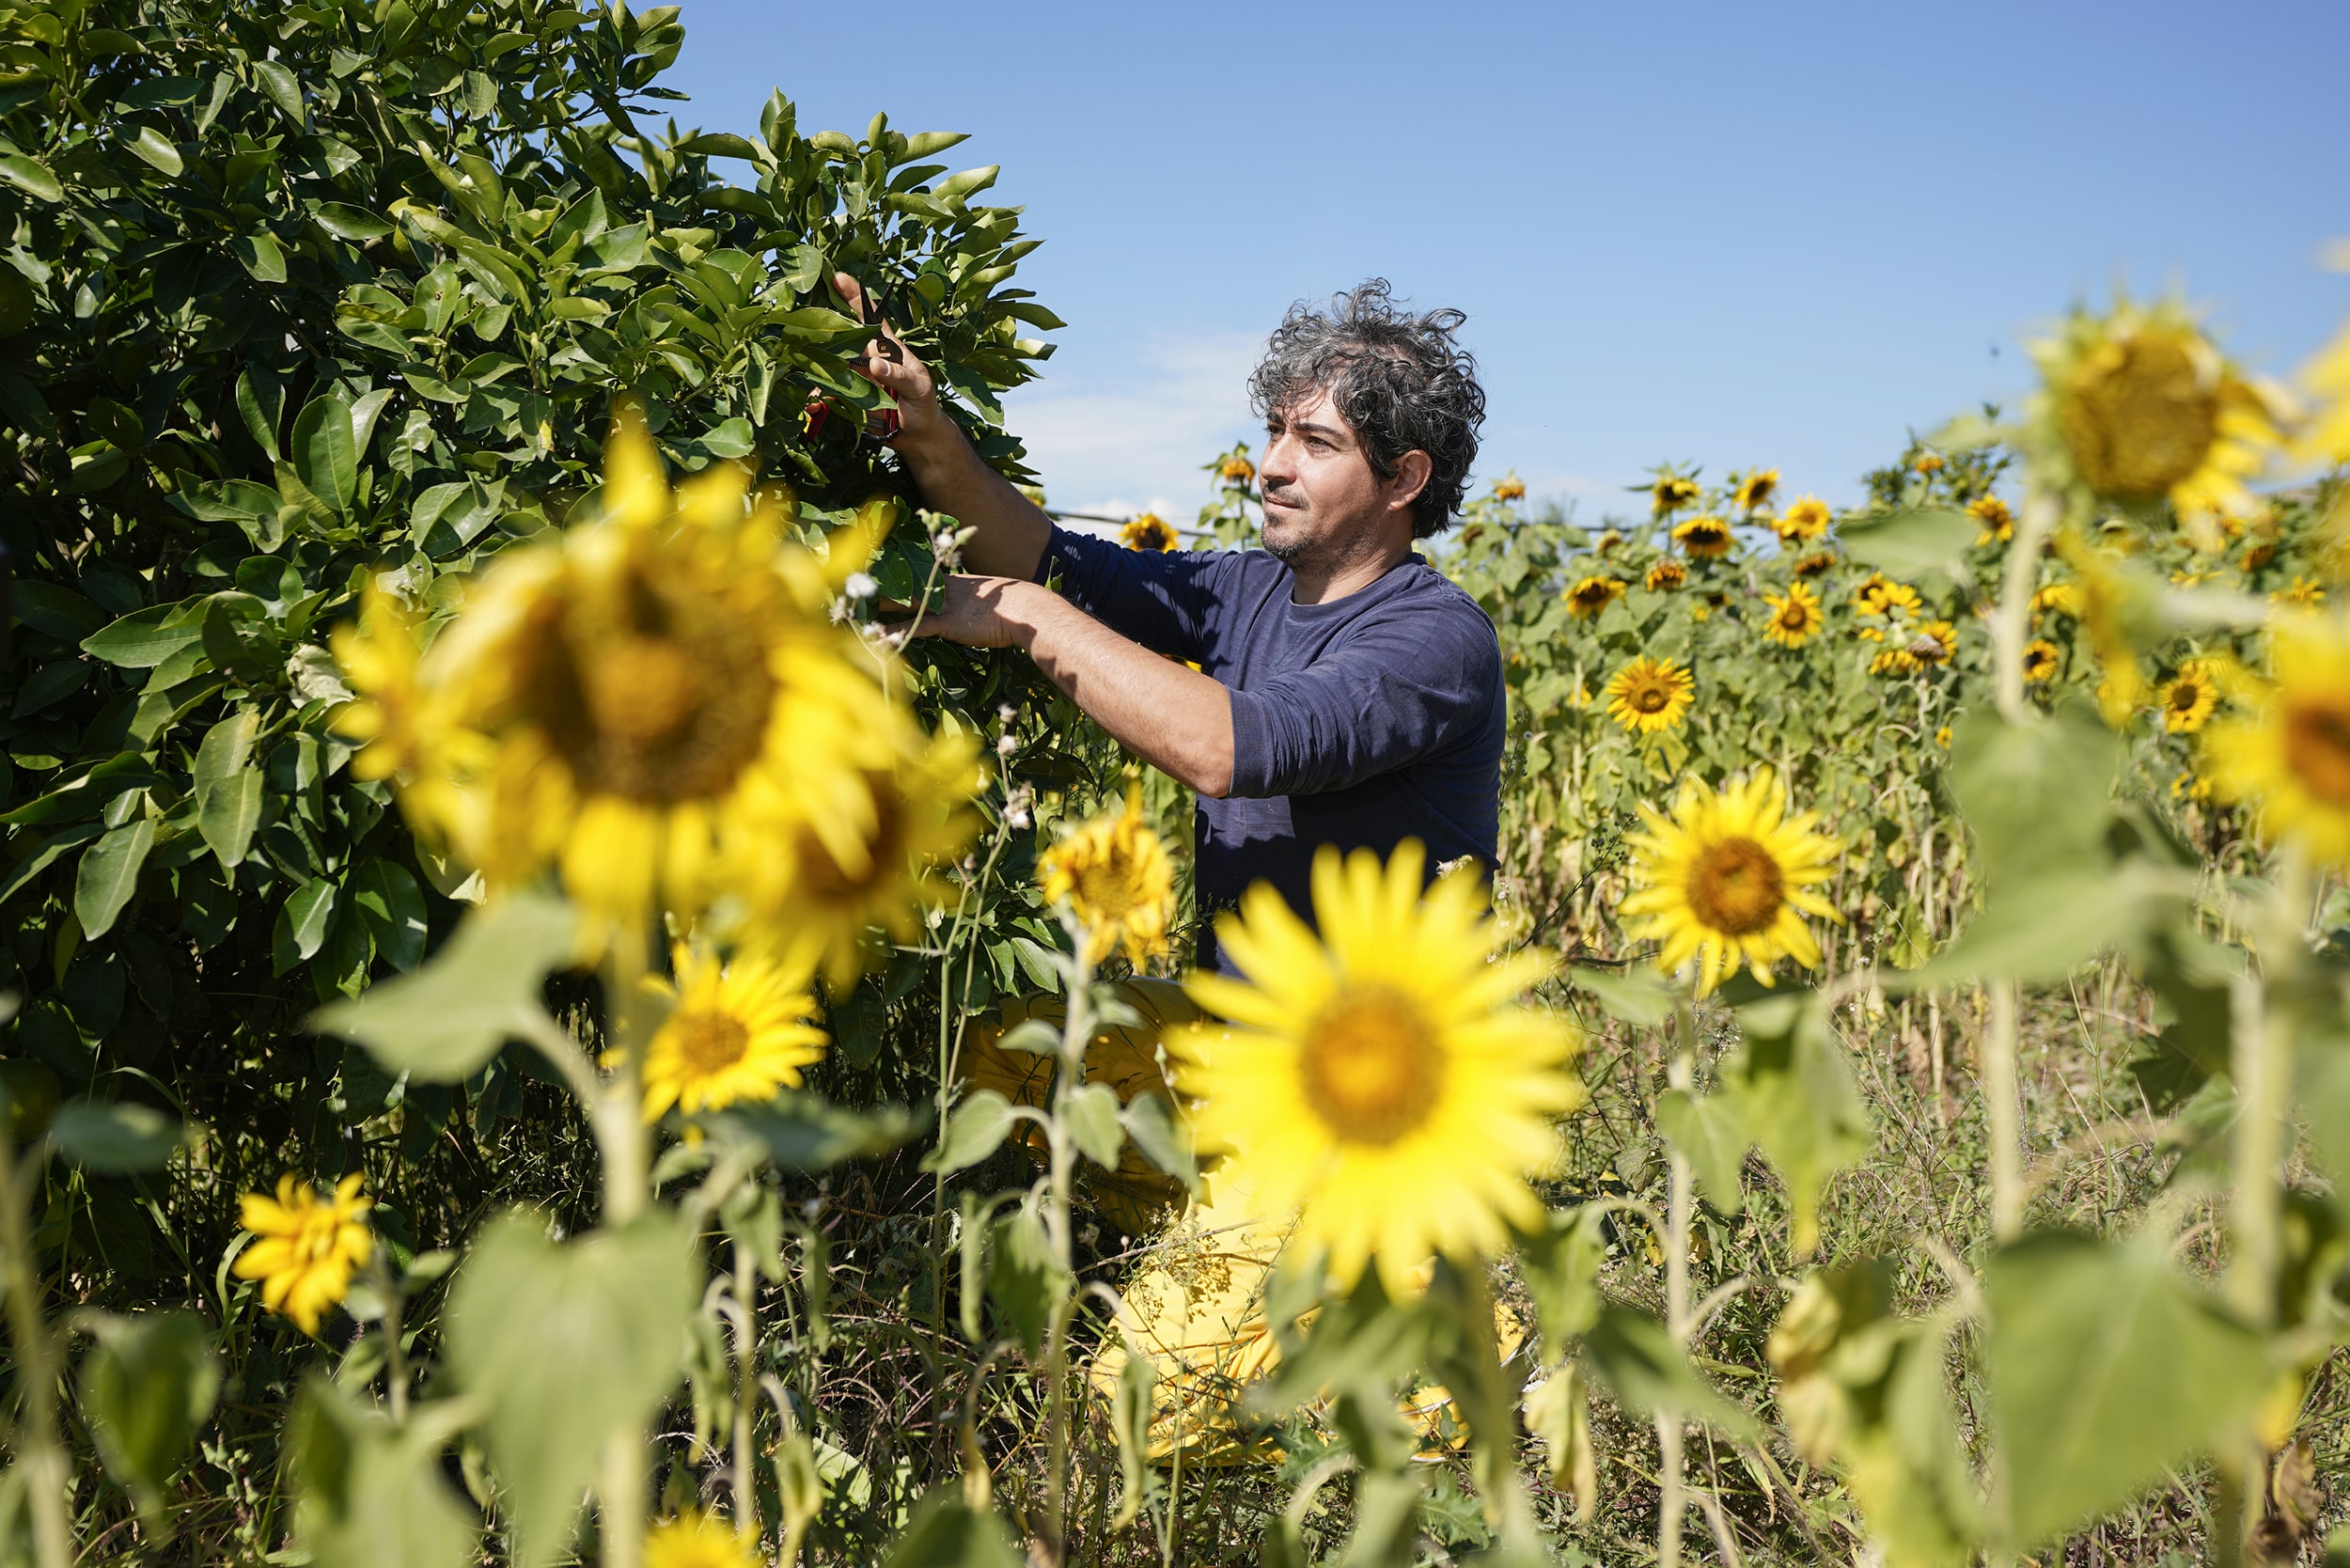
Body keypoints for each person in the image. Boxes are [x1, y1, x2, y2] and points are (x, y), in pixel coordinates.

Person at [842, 274, 1504, 969]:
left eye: (1315, 442)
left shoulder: (1437, 639)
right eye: (1275, 431)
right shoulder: (1245, 587)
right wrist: (926, 433)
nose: (1272, 466)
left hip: (1377, 1061)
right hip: (1234, 1048)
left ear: (1404, 479)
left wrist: (1029, 615)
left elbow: (1231, 748)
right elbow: (1056, 563)